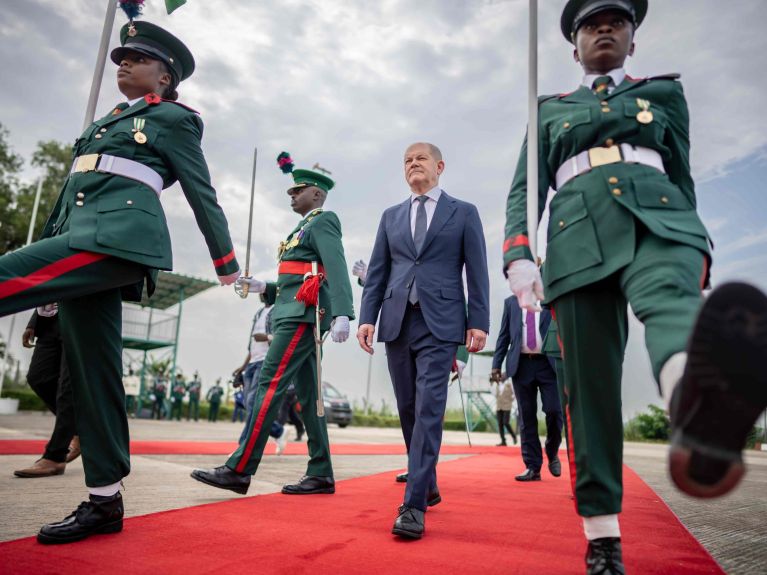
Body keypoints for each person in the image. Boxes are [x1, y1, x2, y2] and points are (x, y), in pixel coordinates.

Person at [502, 1, 767, 571]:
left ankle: (695, 408)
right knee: (588, 386)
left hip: (660, 217)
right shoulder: (547, 110)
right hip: (576, 235)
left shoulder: (665, 94)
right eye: (590, 23)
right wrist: (519, 257)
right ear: (574, 45)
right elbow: (525, 191)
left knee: (673, 304)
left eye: (616, 21)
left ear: (633, 39)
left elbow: (684, 172)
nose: (604, 28)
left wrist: (696, 253)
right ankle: (602, 538)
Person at [0, 20, 240, 544]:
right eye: (120, 58)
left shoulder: (174, 119)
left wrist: (226, 261)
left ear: (165, 73)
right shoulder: (104, 123)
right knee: (95, 374)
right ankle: (105, 502)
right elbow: (69, 198)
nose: (123, 64)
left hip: (117, 244)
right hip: (82, 241)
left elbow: (202, 191)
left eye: (136, 58)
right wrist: (46, 265)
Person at [192, 161, 355, 496]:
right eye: (291, 191)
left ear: (317, 193)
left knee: (269, 383)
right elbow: (296, 278)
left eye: (298, 190)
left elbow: (335, 266)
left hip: (302, 315)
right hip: (290, 310)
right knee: (310, 398)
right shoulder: (298, 231)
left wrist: (343, 312)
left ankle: (239, 469)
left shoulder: (324, 220)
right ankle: (321, 472)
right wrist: (262, 287)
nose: (292, 196)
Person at [358, 142, 490, 539]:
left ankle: (413, 506)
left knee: (430, 407)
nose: (413, 164)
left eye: (420, 158)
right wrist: (367, 318)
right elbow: (378, 271)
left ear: (439, 166)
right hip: (397, 320)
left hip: (442, 323)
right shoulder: (391, 216)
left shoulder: (463, 212)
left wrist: (478, 322)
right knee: (408, 408)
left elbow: (477, 270)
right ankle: (427, 480)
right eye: (407, 160)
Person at [491, 295, 562, 480]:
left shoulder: (551, 298)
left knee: (554, 411)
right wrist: (496, 365)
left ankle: (552, 450)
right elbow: (504, 335)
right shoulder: (510, 303)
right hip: (521, 365)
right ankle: (533, 466)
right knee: (526, 416)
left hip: (549, 365)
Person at [13, 308, 80, 478]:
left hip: (79, 314)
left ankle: (55, 456)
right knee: (38, 378)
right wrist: (33, 322)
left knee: (68, 388)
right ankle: (80, 430)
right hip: (49, 320)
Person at [234, 303, 273, 443]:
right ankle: (278, 430)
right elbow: (252, 347)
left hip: (264, 361)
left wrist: (268, 337)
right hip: (252, 363)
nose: (261, 294)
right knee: (247, 402)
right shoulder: (259, 313)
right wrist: (243, 367)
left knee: (252, 401)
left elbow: (280, 336)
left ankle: (244, 442)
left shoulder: (276, 310)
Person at [491, 375, 517, 447]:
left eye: (503, 376)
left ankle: (513, 436)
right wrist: (492, 382)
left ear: (506, 377)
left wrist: (511, 400)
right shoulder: (497, 384)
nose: (501, 377)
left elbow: (515, 393)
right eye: (500, 376)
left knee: (506, 422)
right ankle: (503, 441)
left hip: (507, 406)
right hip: (499, 406)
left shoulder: (510, 384)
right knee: (500, 424)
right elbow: (494, 393)